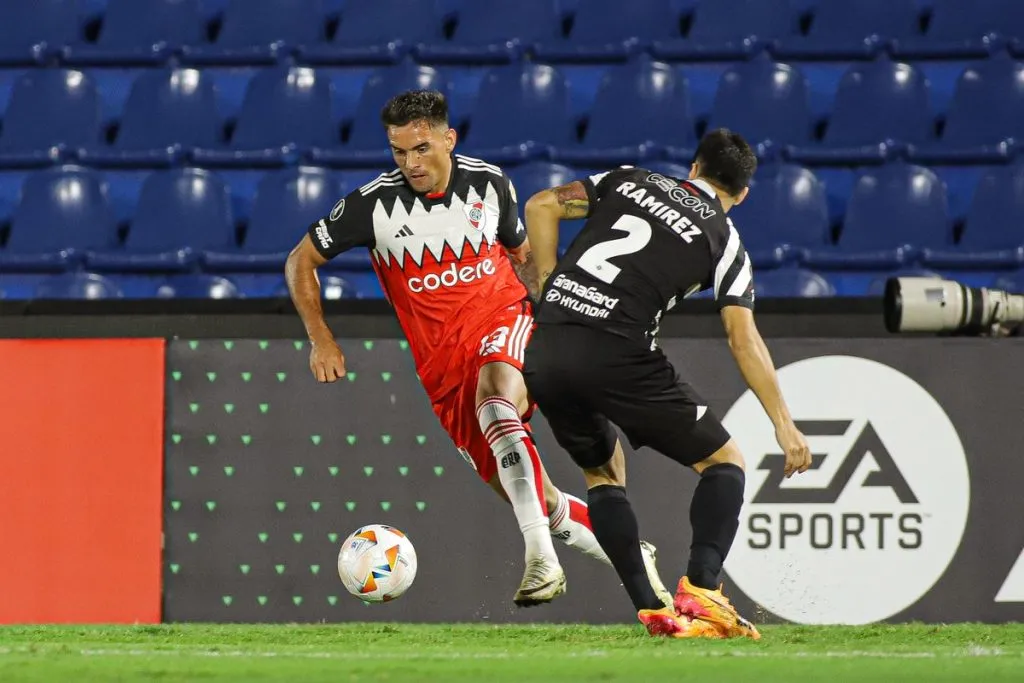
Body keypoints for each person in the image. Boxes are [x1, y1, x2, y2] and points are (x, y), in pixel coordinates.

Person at [284, 89, 673, 608]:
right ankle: (631, 555)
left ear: (449, 138)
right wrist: (321, 339)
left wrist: (561, 315)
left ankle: (539, 558)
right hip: (443, 373)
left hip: (503, 323)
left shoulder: (489, 184)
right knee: (534, 496)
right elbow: (299, 261)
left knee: (496, 395)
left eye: (421, 148)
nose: (410, 163)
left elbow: (522, 255)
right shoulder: (371, 206)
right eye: (399, 152)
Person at [519, 129, 813, 638]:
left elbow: (541, 204)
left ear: (693, 168)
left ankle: (651, 607)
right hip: (617, 350)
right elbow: (742, 340)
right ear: (741, 194)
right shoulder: (725, 240)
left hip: (546, 347)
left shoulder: (629, 180)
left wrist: (546, 286)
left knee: (604, 474)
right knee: (724, 463)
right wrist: (784, 425)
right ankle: (702, 591)